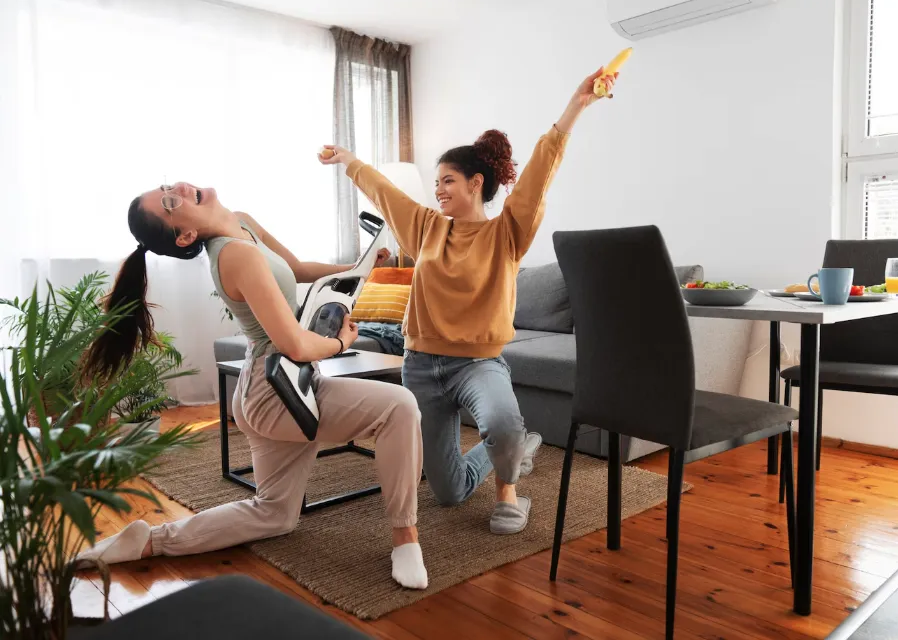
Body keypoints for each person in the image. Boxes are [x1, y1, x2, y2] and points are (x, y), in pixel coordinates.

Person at [76, 184, 429, 589]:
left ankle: (148, 541)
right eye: (171, 201)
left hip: (268, 389)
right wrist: (341, 342)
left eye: (167, 186)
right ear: (185, 236)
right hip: (276, 393)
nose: (179, 188)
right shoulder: (233, 256)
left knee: (275, 514)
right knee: (399, 406)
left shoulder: (242, 223)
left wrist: (356, 267)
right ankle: (406, 538)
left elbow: (295, 269)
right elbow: (294, 344)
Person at [319, 68, 616, 534]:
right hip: (421, 365)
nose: (438, 190)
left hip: (477, 364)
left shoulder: (507, 232)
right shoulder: (425, 228)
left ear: (476, 183)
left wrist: (576, 106)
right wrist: (349, 159)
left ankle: (510, 492)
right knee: (449, 493)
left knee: (501, 422)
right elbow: (383, 192)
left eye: (447, 180)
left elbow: (540, 172)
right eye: (437, 182)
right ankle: (522, 447)